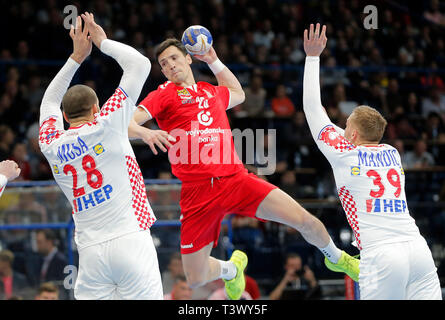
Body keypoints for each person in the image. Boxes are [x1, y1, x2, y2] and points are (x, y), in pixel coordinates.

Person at [129, 36, 359, 300]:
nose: (169, 66)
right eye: (163, 63)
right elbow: (126, 124)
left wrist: (213, 60)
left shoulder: (209, 90)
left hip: (236, 180)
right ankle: (231, 269)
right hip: (198, 192)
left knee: (306, 220)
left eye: (173, 58)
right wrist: (145, 134)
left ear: (188, 58)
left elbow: (239, 94)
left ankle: (337, 257)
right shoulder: (163, 95)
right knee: (195, 278)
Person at [302, 23, 442, 300]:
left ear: (353, 133)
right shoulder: (392, 152)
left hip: (382, 254)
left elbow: (312, 108)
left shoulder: (345, 151)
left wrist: (312, 57)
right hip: (418, 250)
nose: (341, 131)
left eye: (345, 127)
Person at [38, 13, 165, 300]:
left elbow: (48, 101)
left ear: (65, 117)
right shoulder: (107, 122)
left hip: (91, 252)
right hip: (130, 239)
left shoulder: (51, 143)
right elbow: (140, 64)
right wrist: (102, 42)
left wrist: (75, 58)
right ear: (97, 108)